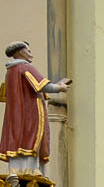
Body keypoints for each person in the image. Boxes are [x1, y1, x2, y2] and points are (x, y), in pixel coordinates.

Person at [0, 40, 69, 176]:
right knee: (29, 137)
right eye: (28, 51)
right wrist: (60, 87)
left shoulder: (11, 72)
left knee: (18, 137)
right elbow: (43, 85)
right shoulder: (24, 68)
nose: (31, 54)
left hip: (16, 115)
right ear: (21, 52)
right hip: (29, 113)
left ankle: (16, 169)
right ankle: (30, 169)